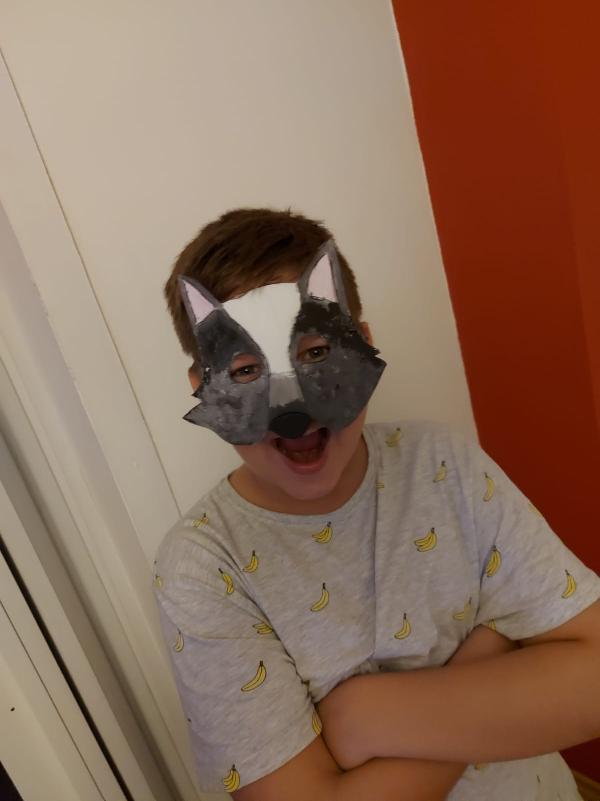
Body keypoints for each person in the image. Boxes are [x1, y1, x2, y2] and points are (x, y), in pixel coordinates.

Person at [152, 207, 600, 800]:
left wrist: (364, 716)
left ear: (362, 343)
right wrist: (493, 649)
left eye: (316, 353)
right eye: (245, 370)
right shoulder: (204, 568)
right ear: (201, 388)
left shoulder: (442, 464)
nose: (293, 412)